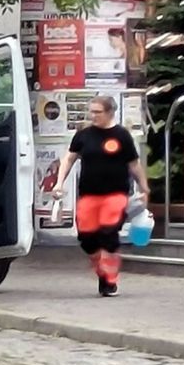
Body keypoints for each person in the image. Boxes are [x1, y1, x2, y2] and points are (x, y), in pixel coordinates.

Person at [49, 95, 144, 297]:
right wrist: (59, 182)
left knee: (108, 234)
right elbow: (69, 159)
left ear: (110, 112)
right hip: (88, 196)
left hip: (115, 195)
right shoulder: (83, 135)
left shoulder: (122, 135)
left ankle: (110, 281)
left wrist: (144, 188)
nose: (93, 116)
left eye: (98, 112)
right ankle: (103, 271)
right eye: (91, 111)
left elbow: (134, 165)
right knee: (86, 238)